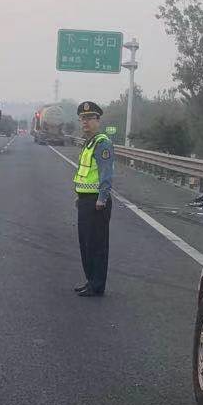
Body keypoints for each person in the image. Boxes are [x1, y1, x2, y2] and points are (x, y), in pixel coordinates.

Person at [72, 101, 114, 297]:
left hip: (97, 203)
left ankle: (97, 285)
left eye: (89, 118)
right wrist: (79, 196)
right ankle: (91, 281)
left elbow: (106, 173)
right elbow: (85, 173)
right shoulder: (88, 143)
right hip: (85, 200)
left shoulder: (102, 143)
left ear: (98, 121)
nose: (85, 122)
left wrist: (102, 198)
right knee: (86, 244)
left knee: (97, 245)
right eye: (82, 118)